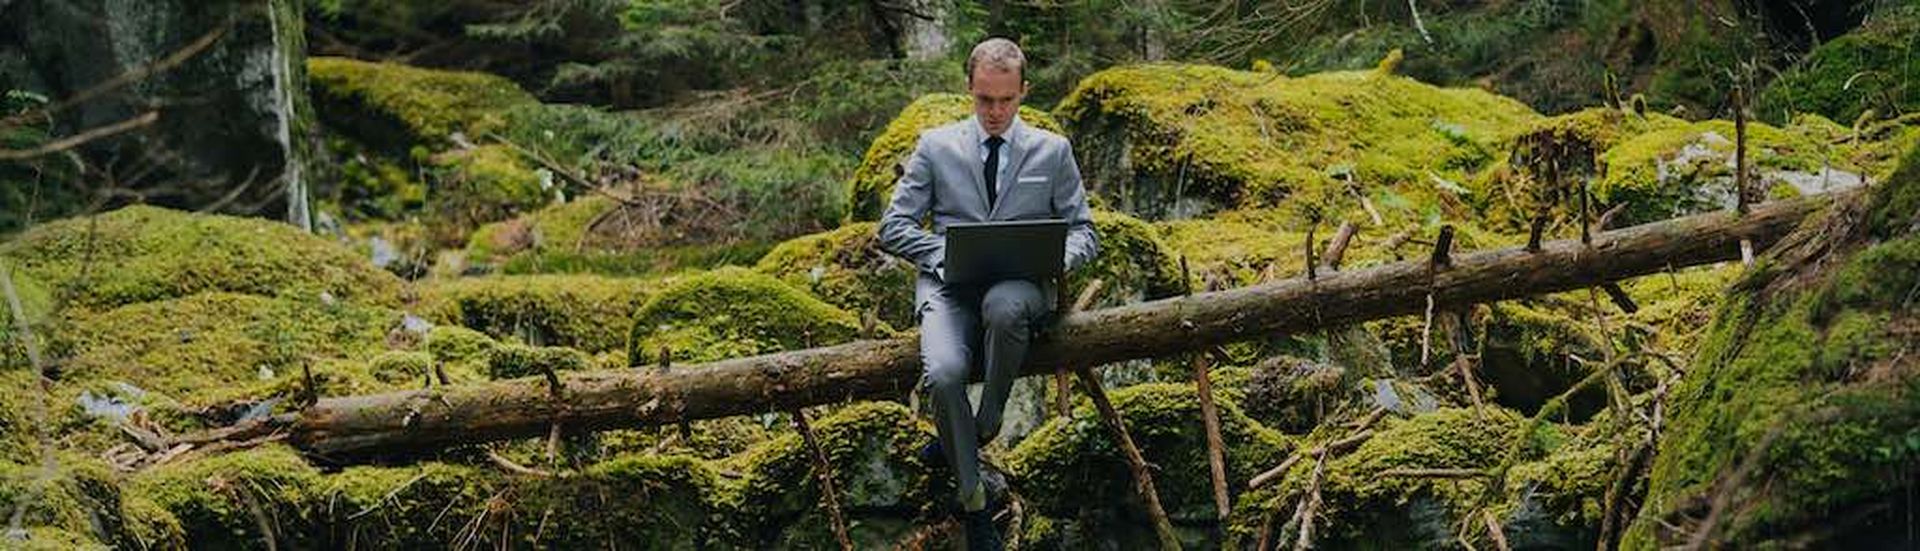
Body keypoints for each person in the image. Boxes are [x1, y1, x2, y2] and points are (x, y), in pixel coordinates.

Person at [875, 37, 1099, 550]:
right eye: (984, 100)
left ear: (1024, 92)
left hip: (1020, 288)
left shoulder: (1052, 149)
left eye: (1006, 100)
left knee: (1003, 305)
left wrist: (1053, 256)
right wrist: (942, 256)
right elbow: (893, 226)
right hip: (948, 287)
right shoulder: (935, 145)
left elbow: (1085, 231)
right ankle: (974, 504)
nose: (995, 112)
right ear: (969, 91)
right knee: (946, 372)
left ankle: (986, 421)